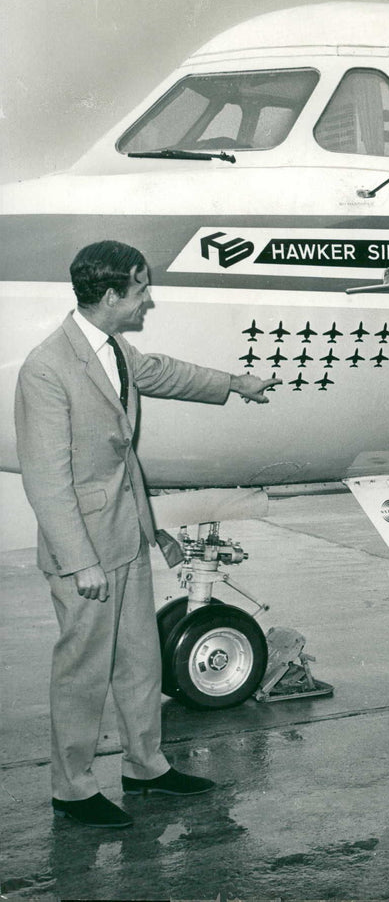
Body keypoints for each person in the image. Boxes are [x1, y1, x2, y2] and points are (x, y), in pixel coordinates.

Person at [14, 240, 282, 829]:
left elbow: (161, 373)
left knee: (140, 663)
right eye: (141, 289)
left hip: (127, 538)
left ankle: (146, 766)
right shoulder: (46, 368)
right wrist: (79, 560)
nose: (148, 299)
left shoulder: (113, 350)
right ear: (111, 295)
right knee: (83, 671)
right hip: (83, 548)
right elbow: (47, 479)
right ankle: (73, 787)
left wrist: (235, 381)